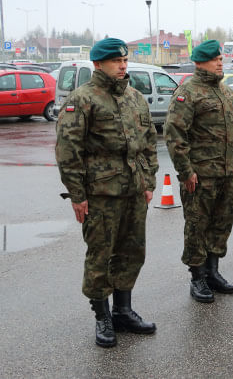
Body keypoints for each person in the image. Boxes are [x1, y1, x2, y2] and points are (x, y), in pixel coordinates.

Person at [56, 38, 158, 348]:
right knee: (100, 255)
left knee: (131, 251)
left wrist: (149, 181)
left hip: (134, 190)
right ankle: (102, 317)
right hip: (100, 194)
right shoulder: (83, 99)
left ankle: (123, 311)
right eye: (116, 61)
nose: (123, 65)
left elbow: (149, 142)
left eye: (124, 60)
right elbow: (67, 150)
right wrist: (77, 194)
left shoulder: (135, 97)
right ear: (98, 64)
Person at [165, 40, 233, 303]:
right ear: (199, 63)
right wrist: (186, 172)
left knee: (221, 225)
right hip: (201, 175)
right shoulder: (188, 92)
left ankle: (213, 272)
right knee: (197, 227)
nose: (220, 62)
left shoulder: (226, 93)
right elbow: (175, 135)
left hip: (226, 173)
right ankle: (197, 278)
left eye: (220, 58)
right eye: (214, 59)